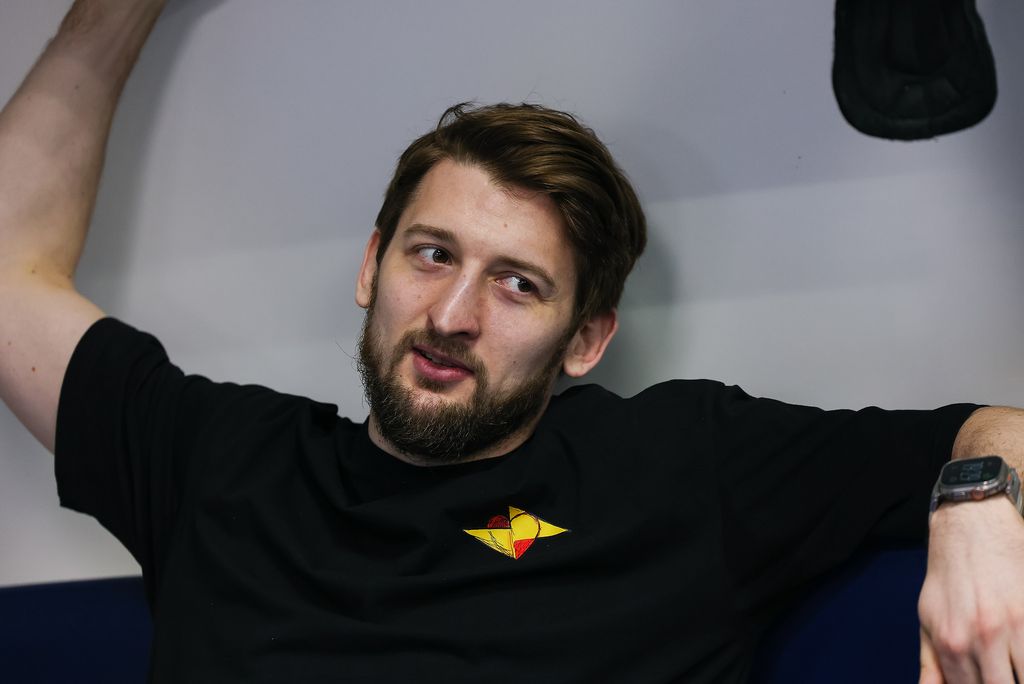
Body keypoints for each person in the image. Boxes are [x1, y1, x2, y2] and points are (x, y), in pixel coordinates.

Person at [1, 1, 1023, 682]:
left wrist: (977, 501)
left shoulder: (680, 466)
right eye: (431, 255)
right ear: (370, 267)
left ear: (586, 340)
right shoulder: (217, 460)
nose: (452, 316)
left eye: (517, 284)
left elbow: (997, 429)